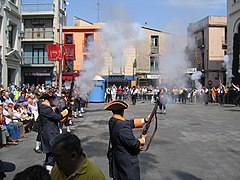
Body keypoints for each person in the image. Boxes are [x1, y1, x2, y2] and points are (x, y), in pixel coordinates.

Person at [104, 100, 148, 180]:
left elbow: (128, 123)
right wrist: (142, 139)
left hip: (118, 158)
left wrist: (145, 120)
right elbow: (133, 143)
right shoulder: (123, 126)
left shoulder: (112, 120)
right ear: (122, 111)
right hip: (127, 162)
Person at [38, 91, 68, 171]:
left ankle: (48, 169)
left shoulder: (46, 107)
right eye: (52, 99)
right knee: (52, 154)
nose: (53, 101)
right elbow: (56, 117)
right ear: (48, 99)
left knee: (50, 154)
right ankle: (49, 171)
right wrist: (64, 113)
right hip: (49, 132)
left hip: (49, 131)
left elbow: (54, 118)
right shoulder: (45, 108)